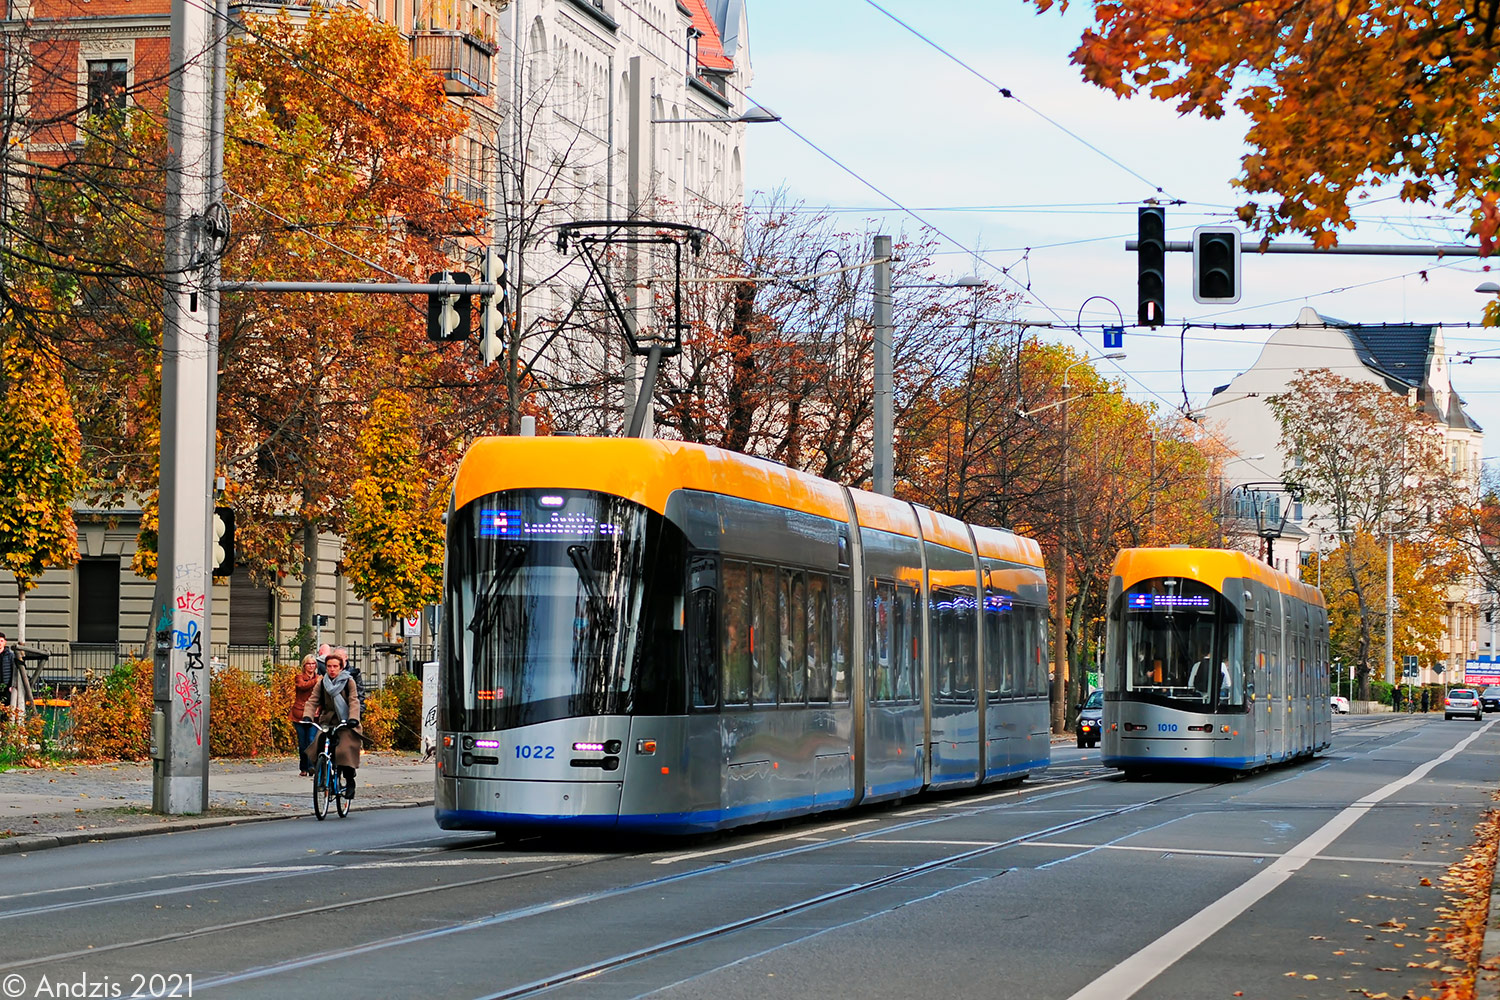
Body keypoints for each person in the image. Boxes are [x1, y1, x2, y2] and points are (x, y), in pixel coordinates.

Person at [302, 649, 363, 797]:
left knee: (344, 750)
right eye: (329, 666)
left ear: (341, 667)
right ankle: (322, 776)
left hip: (346, 721)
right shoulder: (322, 683)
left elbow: (354, 700)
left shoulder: (349, 681)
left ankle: (349, 780)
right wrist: (308, 716)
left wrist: (353, 718)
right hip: (328, 721)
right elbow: (313, 700)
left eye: (335, 666)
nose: (332, 669)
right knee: (318, 745)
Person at [290, 654, 319, 776]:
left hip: (314, 714)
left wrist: (319, 708)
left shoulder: (320, 678)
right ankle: (303, 767)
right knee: (303, 743)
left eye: (313, 664)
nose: (311, 666)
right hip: (299, 714)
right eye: (309, 663)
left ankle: (312, 766)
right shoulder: (299, 677)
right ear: (304, 665)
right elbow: (302, 686)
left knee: (311, 740)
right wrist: (315, 681)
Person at [0, 633, 21, 723]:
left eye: (1, 641)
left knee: (7, 711)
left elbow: (15, 671)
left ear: (5, 642)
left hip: (6, 687)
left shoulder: (10, 656)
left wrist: (12, 685)